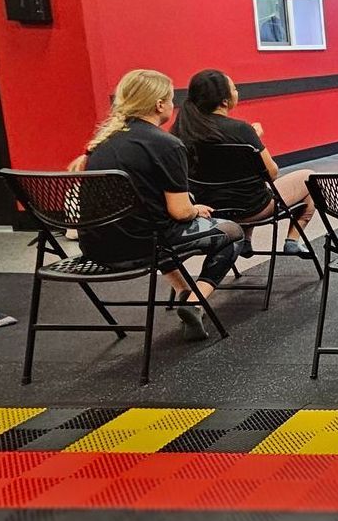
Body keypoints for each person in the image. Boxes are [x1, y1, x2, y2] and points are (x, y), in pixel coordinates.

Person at [75, 69, 244, 340]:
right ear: (159, 104)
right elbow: (180, 211)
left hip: (96, 248)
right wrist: (195, 209)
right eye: (170, 98)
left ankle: (184, 290)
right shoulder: (167, 145)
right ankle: (195, 302)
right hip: (144, 246)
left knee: (153, 226)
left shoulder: (100, 145)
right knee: (232, 232)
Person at [171, 69, 316, 259]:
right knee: (310, 178)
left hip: (210, 208)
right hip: (253, 208)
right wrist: (255, 139)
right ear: (224, 101)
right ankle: (293, 240)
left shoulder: (181, 132)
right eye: (234, 89)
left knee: (246, 183)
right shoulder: (242, 130)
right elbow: (272, 173)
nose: (237, 92)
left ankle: (246, 241)